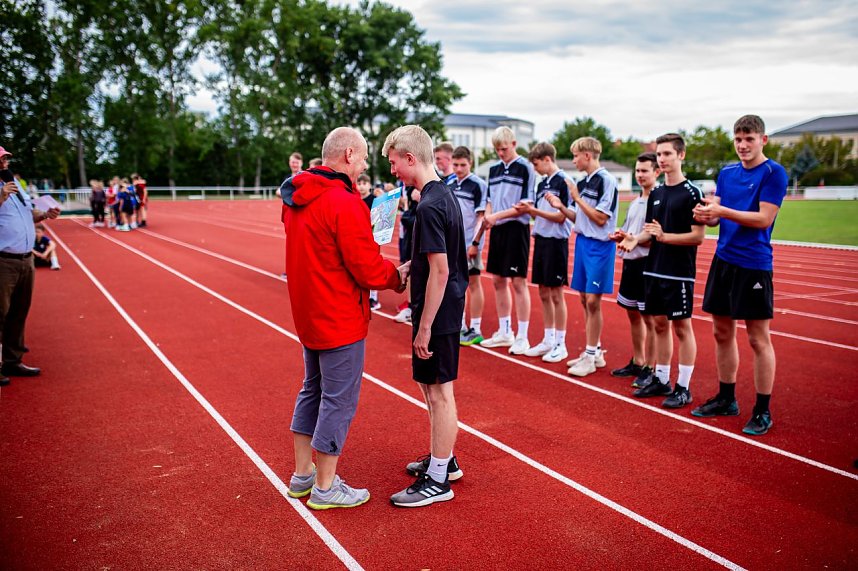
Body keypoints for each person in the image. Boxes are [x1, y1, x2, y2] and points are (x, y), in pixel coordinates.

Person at [281, 127, 409, 510]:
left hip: (308, 312)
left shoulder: (295, 196)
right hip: (339, 315)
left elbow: (324, 248)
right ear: (350, 155)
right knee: (338, 400)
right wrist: (396, 277)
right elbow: (365, 267)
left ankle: (303, 475)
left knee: (312, 389)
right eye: (365, 157)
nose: (365, 165)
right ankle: (325, 487)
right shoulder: (344, 202)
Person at [383, 125, 468, 508]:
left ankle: (438, 480)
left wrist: (425, 328)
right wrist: (408, 267)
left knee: (439, 391)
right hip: (439, 306)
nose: (392, 170)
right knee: (430, 387)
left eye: (394, 162)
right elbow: (435, 259)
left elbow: (441, 270)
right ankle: (443, 460)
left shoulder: (431, 205)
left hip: (439, 312)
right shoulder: (440, 195)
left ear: (410, 158)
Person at [691, 115, 789, 436]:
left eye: (749, 139)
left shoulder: (774, 173)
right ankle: (726, 398)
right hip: (724, 260)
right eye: (738, 139)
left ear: (763, 140)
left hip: (753, 263)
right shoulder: (727, 173)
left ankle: (762, 410)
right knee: (722, 332)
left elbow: (763, 219)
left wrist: (721, 211)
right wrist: (706, 214)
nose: (743, 145)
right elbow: (715, 218)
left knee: (758, 338)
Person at [619, 133, 704, 408]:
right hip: (654, 269)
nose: (662, 159)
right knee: (658, 325)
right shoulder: (656, 193)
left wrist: (665, 237)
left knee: (682, 327)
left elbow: (698, 236)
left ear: (681, 155)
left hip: (678, 272)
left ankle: (683, 387)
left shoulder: (692, 193)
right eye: (659, 154)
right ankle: (662, 378)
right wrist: (634, 239)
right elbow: (650, 231)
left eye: (667, 153)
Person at [550, 137, 619, 376]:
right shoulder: (582, 182)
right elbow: (578, 217)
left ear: (587, 156)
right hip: (582, 243)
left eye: (576, 156)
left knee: (592, 300)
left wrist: (577, 197)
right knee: (583, 298)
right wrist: (561, 206)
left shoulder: (607, 180)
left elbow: (601, 218)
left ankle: (590, 356)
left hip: (600, 246)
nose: (573, 161)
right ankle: (594, 350)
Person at [0, 146, 61, 386]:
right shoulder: (5, 189)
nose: (5, 162)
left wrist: (45, 214)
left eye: (6, 158)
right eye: (1, 159)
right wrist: (2, 195)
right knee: (0, 313)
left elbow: (28, 212)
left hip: (26, 259)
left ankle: (13, 360)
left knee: (19, 311)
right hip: (3, 260)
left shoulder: (14, 183)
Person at [479, 126, 535, 354]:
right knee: (498, 280)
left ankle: (523, 336)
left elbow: (525, 205)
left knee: (518, 282)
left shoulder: (525, 167)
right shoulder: (493, 169)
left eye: (504, 149)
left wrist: (496, 216)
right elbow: (489, 200)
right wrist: (489, 216)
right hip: (498, 229)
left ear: (514, 144)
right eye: (497, 150)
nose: (501, 153)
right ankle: (505, 331)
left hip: (516, 228)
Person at [518, 142, 573, 363]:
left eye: (536, 163)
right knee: (543, 291)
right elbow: (539, 213)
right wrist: (529, 210)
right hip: (541, 239)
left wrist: (533, 210)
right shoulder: (542, 183)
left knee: (556, 293)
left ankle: (561, 343)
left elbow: (561, 216)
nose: (535, 168)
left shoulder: (564, 181)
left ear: (547, 159)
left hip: (556, 241)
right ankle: (548, 339)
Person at [608, 153, 659, 388]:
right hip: (631, 263)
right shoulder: (636, 201)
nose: (640, 175)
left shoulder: (657, 201)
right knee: (633, 313)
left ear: (656, 172)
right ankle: (638, 361)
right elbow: (630, 231)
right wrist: (621, 235)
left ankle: (651, 366)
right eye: (637, 170)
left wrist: (634, 239)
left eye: (644, 171)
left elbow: (653, 237)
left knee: (650, 318)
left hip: (647, 264)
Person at [449, 146, 487, 346]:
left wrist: (475, 243)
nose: (458, 169)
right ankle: (461, 324)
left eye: (462, 165)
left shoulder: (478, 185)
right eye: (455, 164)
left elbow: (481, 217)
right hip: (453, 243)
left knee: (473, 283)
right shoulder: (449, 183)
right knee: (456, 285)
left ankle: (476, 327)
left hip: (470, 243)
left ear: (470, 163)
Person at [356, 173, 382, 311]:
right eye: (359, 183)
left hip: (372, 239)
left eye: (364, 183)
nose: (361, 186)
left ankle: (374, 297)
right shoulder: (355, 199)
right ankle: (363, 294)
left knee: (372, 267)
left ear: (369, 185)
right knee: (360, 267)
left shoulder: (374, 200)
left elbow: (379, 219)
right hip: (358, 238)